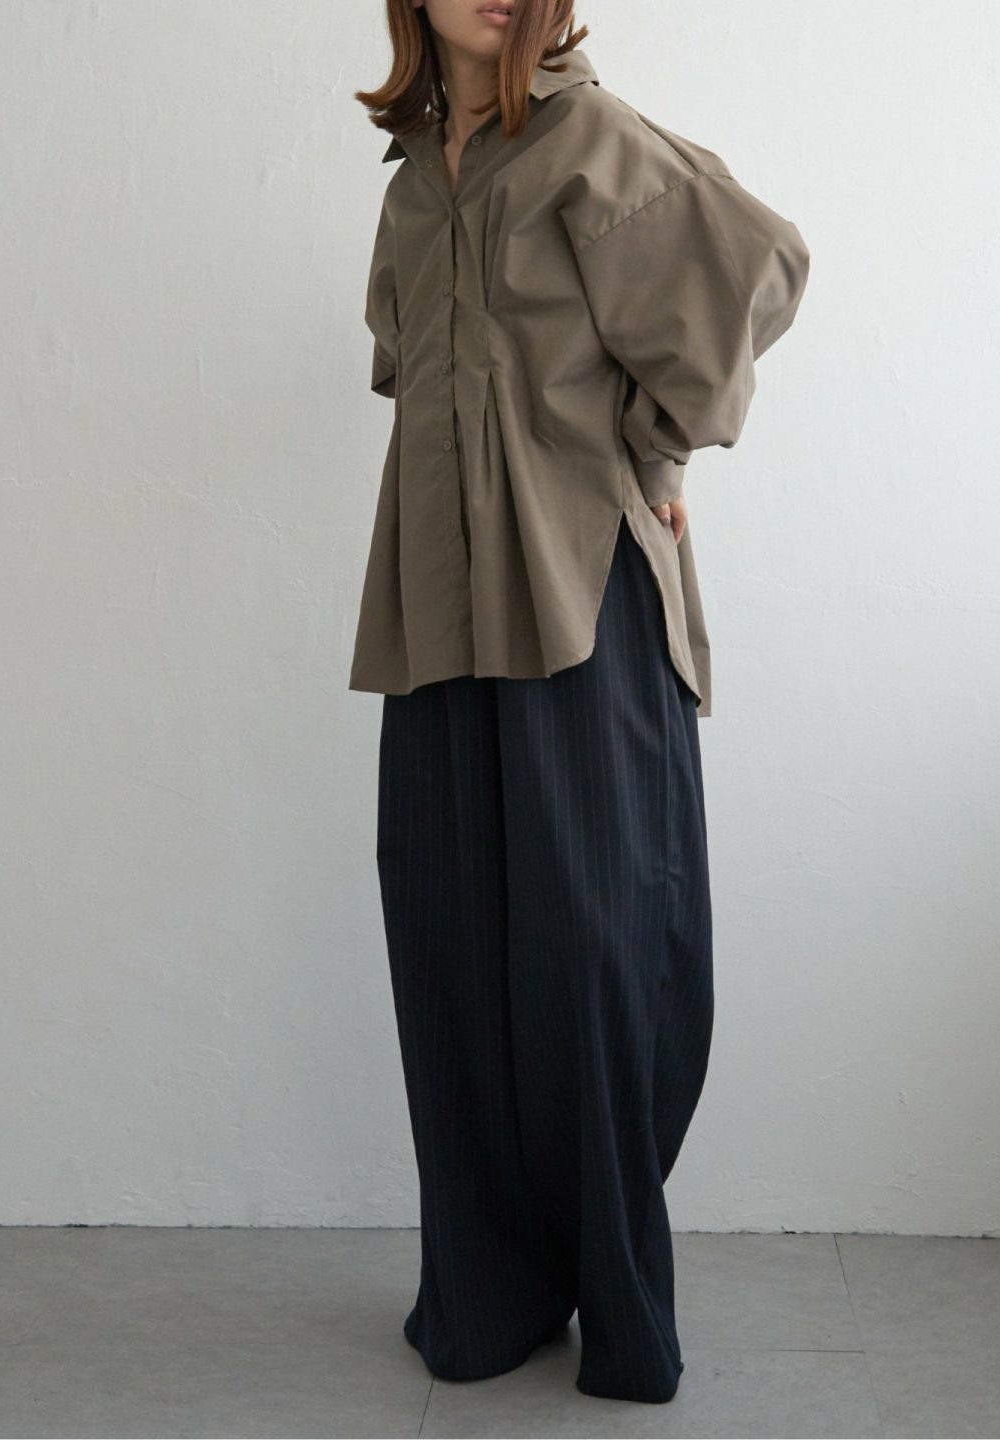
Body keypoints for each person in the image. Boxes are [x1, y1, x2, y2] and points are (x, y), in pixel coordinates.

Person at [348, 0, 810, 1406]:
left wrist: (657, 456)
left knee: (598, 949)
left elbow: (759, 267)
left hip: (578, 593)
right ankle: (488, 1292)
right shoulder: (415, 175)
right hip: (438, 597)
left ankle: (616, 1293)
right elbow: (414, 369)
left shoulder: (591, 138)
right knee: (452, 941)